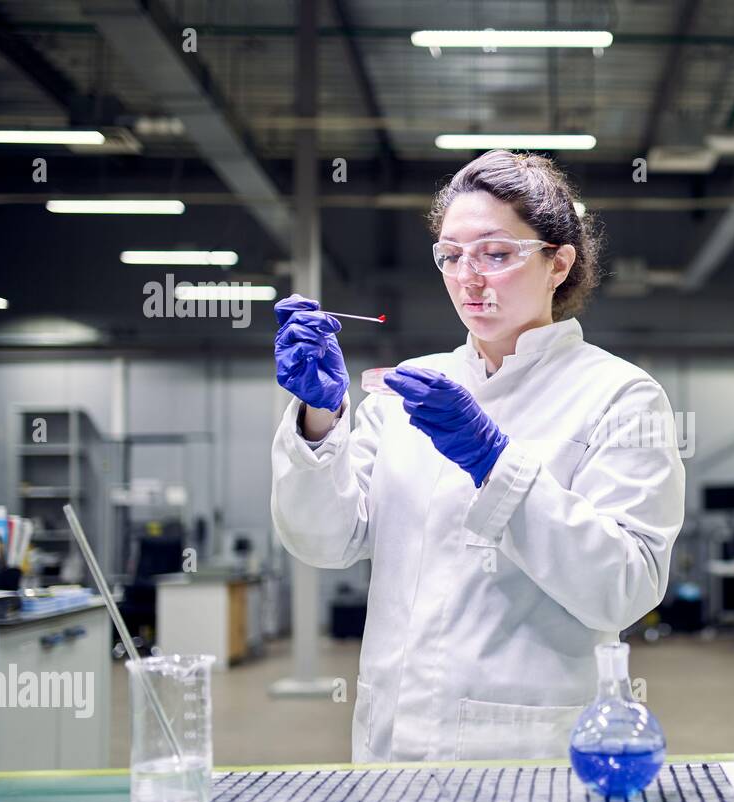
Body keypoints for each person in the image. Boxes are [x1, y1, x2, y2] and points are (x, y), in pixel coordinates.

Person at [271, 150, 686, 762]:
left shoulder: (619, 395)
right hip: (390, 747)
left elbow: (626, 588)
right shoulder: (411, 389)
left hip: (525, 754)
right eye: (451, 255)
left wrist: (496, 463)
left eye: (496, 254)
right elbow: (324, 542)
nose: (469, 277)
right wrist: (318, 421)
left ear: (557, 263)